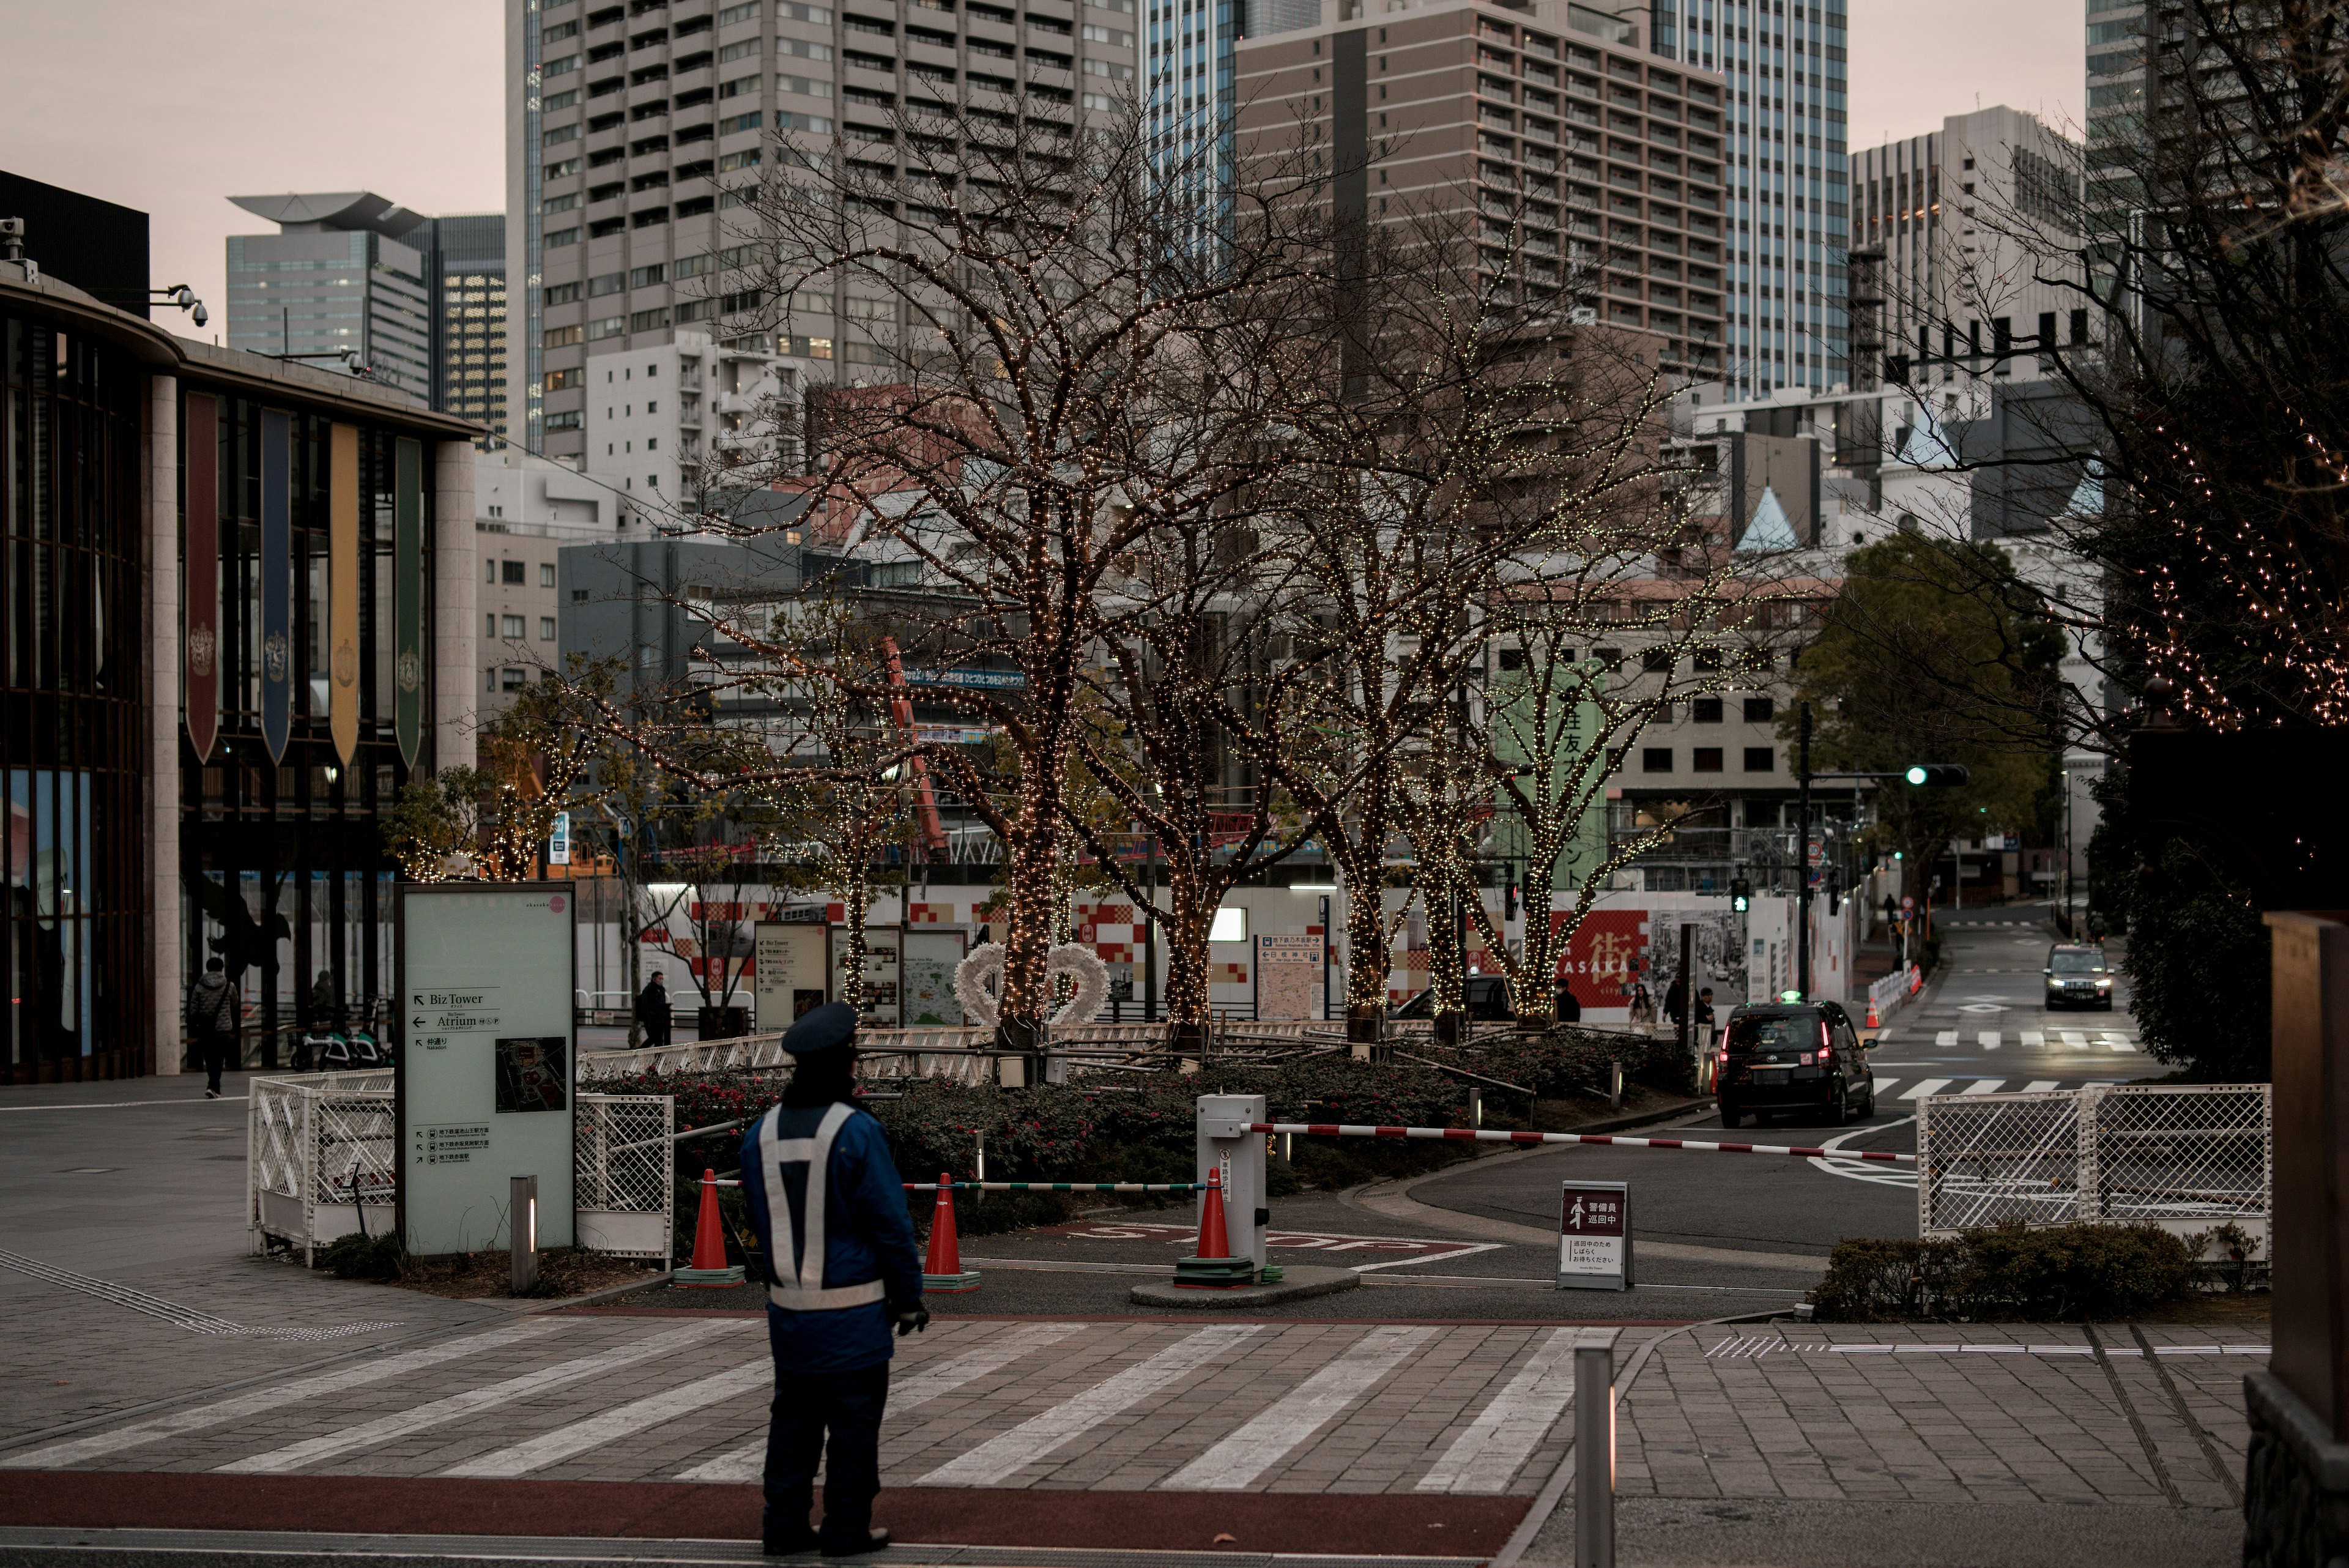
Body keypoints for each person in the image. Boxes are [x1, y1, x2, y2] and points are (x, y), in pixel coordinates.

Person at [741, 1002, 926, 1558]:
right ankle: (846, 1529)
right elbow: (890, 1222)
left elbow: (757, 1215)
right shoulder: (857, 1130)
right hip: (854, 1313)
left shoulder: (760, 1134)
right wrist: (909, 1294)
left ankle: (783, 1527)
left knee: (792, 1423)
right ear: (844, 1061)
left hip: (790, 1314)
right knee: (852, 1427)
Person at [187, 957, 240, 1099]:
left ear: (208, 968)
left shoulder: (199, 987)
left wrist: (197, 1022)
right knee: (219, 1058)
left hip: (205, 1029)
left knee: (209, 1058)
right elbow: (235, 1002)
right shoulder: (229, 986)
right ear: (222, 969)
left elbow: (193, 1009)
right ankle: (213, 1086)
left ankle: (213, 1086)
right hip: (223, 1028)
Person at [637, 971, 673, 1049]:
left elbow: (662, 1004)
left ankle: (658, 1059)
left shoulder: (662, 990)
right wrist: (648, 1020)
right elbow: (645, 1006)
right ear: (654, 979)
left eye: (662, 979)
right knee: (653, 1038)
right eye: (660, 979)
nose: (661, 980)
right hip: (652, 1020)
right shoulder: (648, 990)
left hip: (660, 1019)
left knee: (659, 1041)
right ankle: (639, 1052)